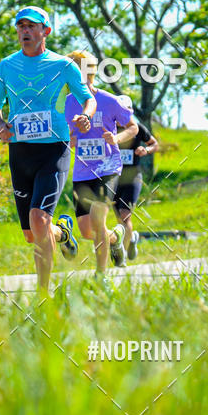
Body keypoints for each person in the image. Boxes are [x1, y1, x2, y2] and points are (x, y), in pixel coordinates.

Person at [0, 6, 96, 292]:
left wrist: (85, 116)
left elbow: (88, 98)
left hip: (53, 151)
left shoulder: (63, 65)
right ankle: (63, 233)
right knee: (32, 234)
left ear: (45, 31)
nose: (25, 31)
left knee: (38, 218)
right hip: (20, 153)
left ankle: (42, 295)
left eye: (31, 26)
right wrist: (0, 124)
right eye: (21, 26)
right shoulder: (7, 65)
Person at [64, 51, 138, 275]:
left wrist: (116, 138)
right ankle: (116, 237)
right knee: (87, 231)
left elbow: (133, 127)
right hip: (82, 171)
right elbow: (65, 135)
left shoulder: (109, 100)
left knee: (98, 220)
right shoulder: (67, 104)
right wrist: (71, 140)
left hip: (108, 167)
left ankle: (101, 275)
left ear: (90, 73)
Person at [113, 95, 159, 260]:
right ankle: (131, 238)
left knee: (125, 215)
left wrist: (146, 150)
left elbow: (154, 144)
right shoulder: (108, 128)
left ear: (130, 112)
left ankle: (122, 255)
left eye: (124, 111)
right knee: (120, 218)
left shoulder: (138, 128)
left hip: (133, 177)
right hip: (113, 178)